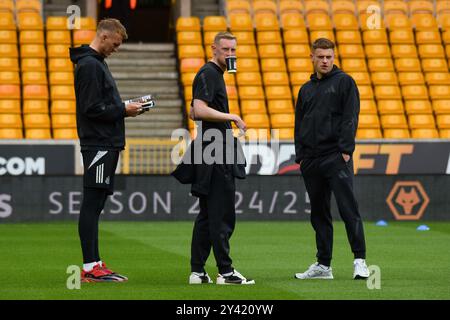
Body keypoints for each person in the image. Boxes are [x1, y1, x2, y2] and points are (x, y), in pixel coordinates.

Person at [172, 32, 255, 285]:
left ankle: (197, 272)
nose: (230, 54)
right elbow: (198, 109)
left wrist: (206, 112)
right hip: (216, 150)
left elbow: (194, 111)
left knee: (208, 215)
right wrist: (232, 117)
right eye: (226, 49)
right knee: (221, 213)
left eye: (233, 50)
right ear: (214, 49)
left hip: (211, 147)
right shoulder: (209, 73)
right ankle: (226, 272)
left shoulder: (212, 74)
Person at [70, 18, 143, 282]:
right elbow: (91, 109)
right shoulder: (90, 65)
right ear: (104, 36)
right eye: (116, 43)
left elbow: (99, 105)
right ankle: (90, 267)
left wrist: (125, 106)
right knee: (92, 204)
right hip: (98, 144)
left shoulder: (95, 63)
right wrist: (123, 110)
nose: (117, 48)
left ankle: (95, 262)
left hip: (104, 143)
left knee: (96, 203)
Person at [294, 38, 370, 280]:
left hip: (337, 157)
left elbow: (351, 116)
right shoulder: (305, 89)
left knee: (349, 209)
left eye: (329, 56)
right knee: (318, 213)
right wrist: (302, 157)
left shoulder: (345, 82)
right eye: (321, 57)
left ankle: (360, 261)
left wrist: (345, 150)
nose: (325, 61)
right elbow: (299, 124)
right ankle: (323, 266)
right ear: (312, 58)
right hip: (312, 160)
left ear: (333, 57)